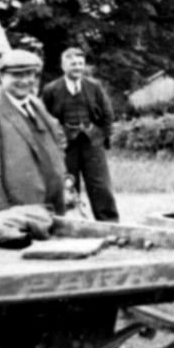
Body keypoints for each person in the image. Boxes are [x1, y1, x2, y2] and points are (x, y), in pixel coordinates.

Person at [0, 49, 67, 215]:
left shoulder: (37, 105)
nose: (25, 81)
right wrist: (4, 217)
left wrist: (63, 177)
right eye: (17, 75)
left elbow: (58, 142)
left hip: (54, 207)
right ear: (1, 76)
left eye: (30, 74)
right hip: (19, 214)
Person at [41, 47, 120, 222]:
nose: (77, 67)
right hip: (65, 146)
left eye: (80, 64)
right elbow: (42, 118)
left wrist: (104, 136)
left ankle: (109, 224)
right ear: (63, 66)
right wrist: (51, 144)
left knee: (101, 186)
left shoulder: (94, 86)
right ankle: (68, 223)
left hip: (92, 143)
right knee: (67, 185)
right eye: (73, 64)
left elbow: (107, 113)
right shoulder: (51, 89)